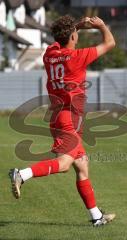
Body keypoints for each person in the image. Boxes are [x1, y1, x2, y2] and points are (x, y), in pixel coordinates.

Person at [9, 15, 116, 227]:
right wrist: (101, 26)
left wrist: (75, 27)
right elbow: (110, 43)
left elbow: (60, 38)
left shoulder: (50, 55)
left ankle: (96, 217)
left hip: (57, 116)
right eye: (75, 34)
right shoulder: (78, 56)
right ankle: (22, 174)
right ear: (74, 36)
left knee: (82, 166)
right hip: (70, 118)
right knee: (65, 164)